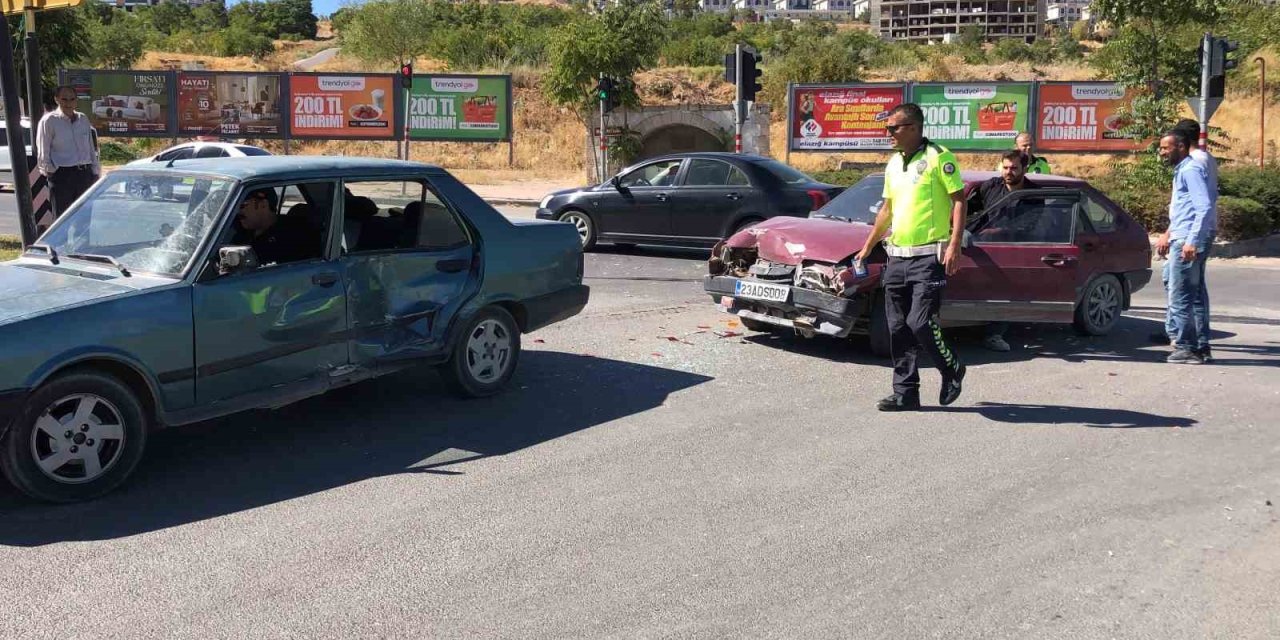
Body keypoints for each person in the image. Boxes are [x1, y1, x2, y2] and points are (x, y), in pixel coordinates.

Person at [854, 103, 968, 411]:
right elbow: (887, 210)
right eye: (887, 128)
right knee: (897, 328)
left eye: (894, 128)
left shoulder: (939, 157)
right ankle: (906, 392)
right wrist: (868, 246)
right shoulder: (893, 164)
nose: (888, 133)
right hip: (897, 258)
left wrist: (955, 242)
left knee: (920, 322)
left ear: (914, 128)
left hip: (928, 258)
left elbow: (959, 200)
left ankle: (951, 368)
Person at [1152, 119, 1219, 358]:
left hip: (1188, 238)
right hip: (1187, 234)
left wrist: (1191, 240)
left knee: (1180, 295)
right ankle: (1201, 346)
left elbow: (1203, 206)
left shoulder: (1191, 168)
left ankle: (1186, 348)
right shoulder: (1187, 167)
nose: (1161, 153)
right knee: (1195, 294)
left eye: (1165, 148)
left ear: (1180, 146)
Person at [973, 150, 1041, 352]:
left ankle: (995, 334)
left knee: (1007, 291)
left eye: (1014, 168)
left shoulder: (1033, 195)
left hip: (1017, 249)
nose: (1009, 172)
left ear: (1024, 169)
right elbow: (972, 210)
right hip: (984, 246)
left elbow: (1029, 225)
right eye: (1005, 167)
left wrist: (998, 231)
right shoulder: (991, 186)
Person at [36, 85, 100, 219]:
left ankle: (82, 241)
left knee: (84, 219)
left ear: (76, 101)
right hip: (62, 176)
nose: (68, 103)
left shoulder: (83, 119)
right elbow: (43, 150)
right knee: (62, 220)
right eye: (64, 99)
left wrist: (95, 172)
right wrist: (52, 171)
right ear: (57, 100)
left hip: (84, 175)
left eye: (72, 99)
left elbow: (90, 148)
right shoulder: (49, 121)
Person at [231, 188, 318, 266]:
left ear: (263, 204)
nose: (238, 211)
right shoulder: (240, 233)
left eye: (242, 205)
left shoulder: (291, 237)